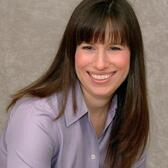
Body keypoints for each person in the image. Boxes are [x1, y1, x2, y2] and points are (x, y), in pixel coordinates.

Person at [0, 0, 149, 167]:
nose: (100, 64)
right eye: (88, 47)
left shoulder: (132, 116)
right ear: (71, 53)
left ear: (132, 55)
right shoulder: (36, 118)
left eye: (114, 48)